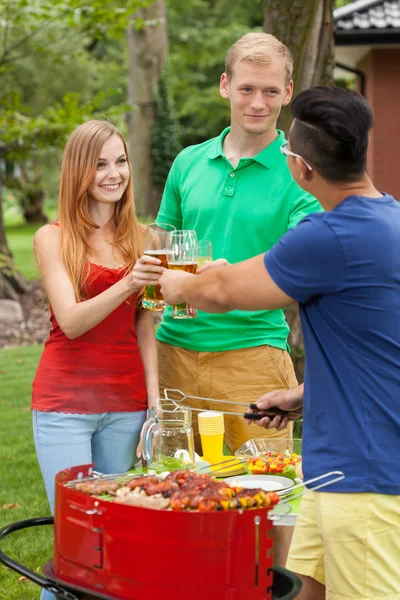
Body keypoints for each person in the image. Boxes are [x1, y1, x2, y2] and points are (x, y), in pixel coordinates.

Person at [159, 86, 400, 600]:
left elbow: (224, 290)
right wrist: (302, 396)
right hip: (336, 468)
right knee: (303, 589)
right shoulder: (389, 219)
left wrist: (178, 284)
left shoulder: (329, 235)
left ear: (302, 169)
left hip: (365, 478)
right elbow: (379, 347)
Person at [155, 32, 322, 456]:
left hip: (254, 355)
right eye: (246, 88)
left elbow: (300, 264)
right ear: (225, 85)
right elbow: (161, 242)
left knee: (266, 495)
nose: (257, 103)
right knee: (175, 487)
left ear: (287, 93)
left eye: (270, 91)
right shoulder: (188, 161)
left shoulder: (302, 173)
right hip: (172, 351)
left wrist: (232, 278)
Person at [32, 120, 163, 600]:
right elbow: (70, 321)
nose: (114, 174)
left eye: (121, 161)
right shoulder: (54, 238)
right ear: (78, 172)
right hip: (65, 405)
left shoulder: (145, 239)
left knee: (115, 542)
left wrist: (153, 401)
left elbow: (146, 324)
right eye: (100, 163)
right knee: (80, 542)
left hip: (126, 406)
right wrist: (129, 283)